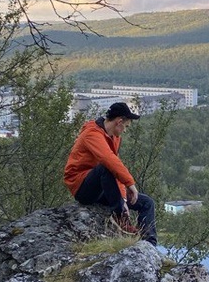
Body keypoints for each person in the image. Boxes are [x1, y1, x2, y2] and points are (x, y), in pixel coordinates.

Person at [63, 101, 157, 245]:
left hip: (103, 187)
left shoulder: (114, 137)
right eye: (126, 126)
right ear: (119, 122)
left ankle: (149, 245)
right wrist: (130, 184)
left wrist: (123, 198)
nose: (125, 130)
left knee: (147, 203)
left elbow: (115, 169)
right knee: (105, 167)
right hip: (82, 187)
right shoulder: (92, 134)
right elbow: (109, 161)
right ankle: (120, 217)